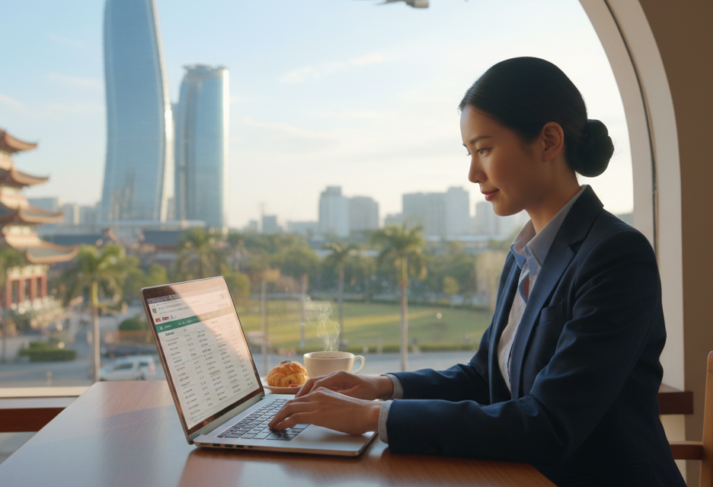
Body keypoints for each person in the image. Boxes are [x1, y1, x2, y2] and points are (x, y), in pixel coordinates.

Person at [268, 57, 686, 487]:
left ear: (548, 141)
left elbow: (549, 424)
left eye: (484, 149)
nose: (472, 174)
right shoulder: (524, 254)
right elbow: (484, 376)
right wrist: (382, 386)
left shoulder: (616, 256)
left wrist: (372, 417)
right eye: (469, 153)